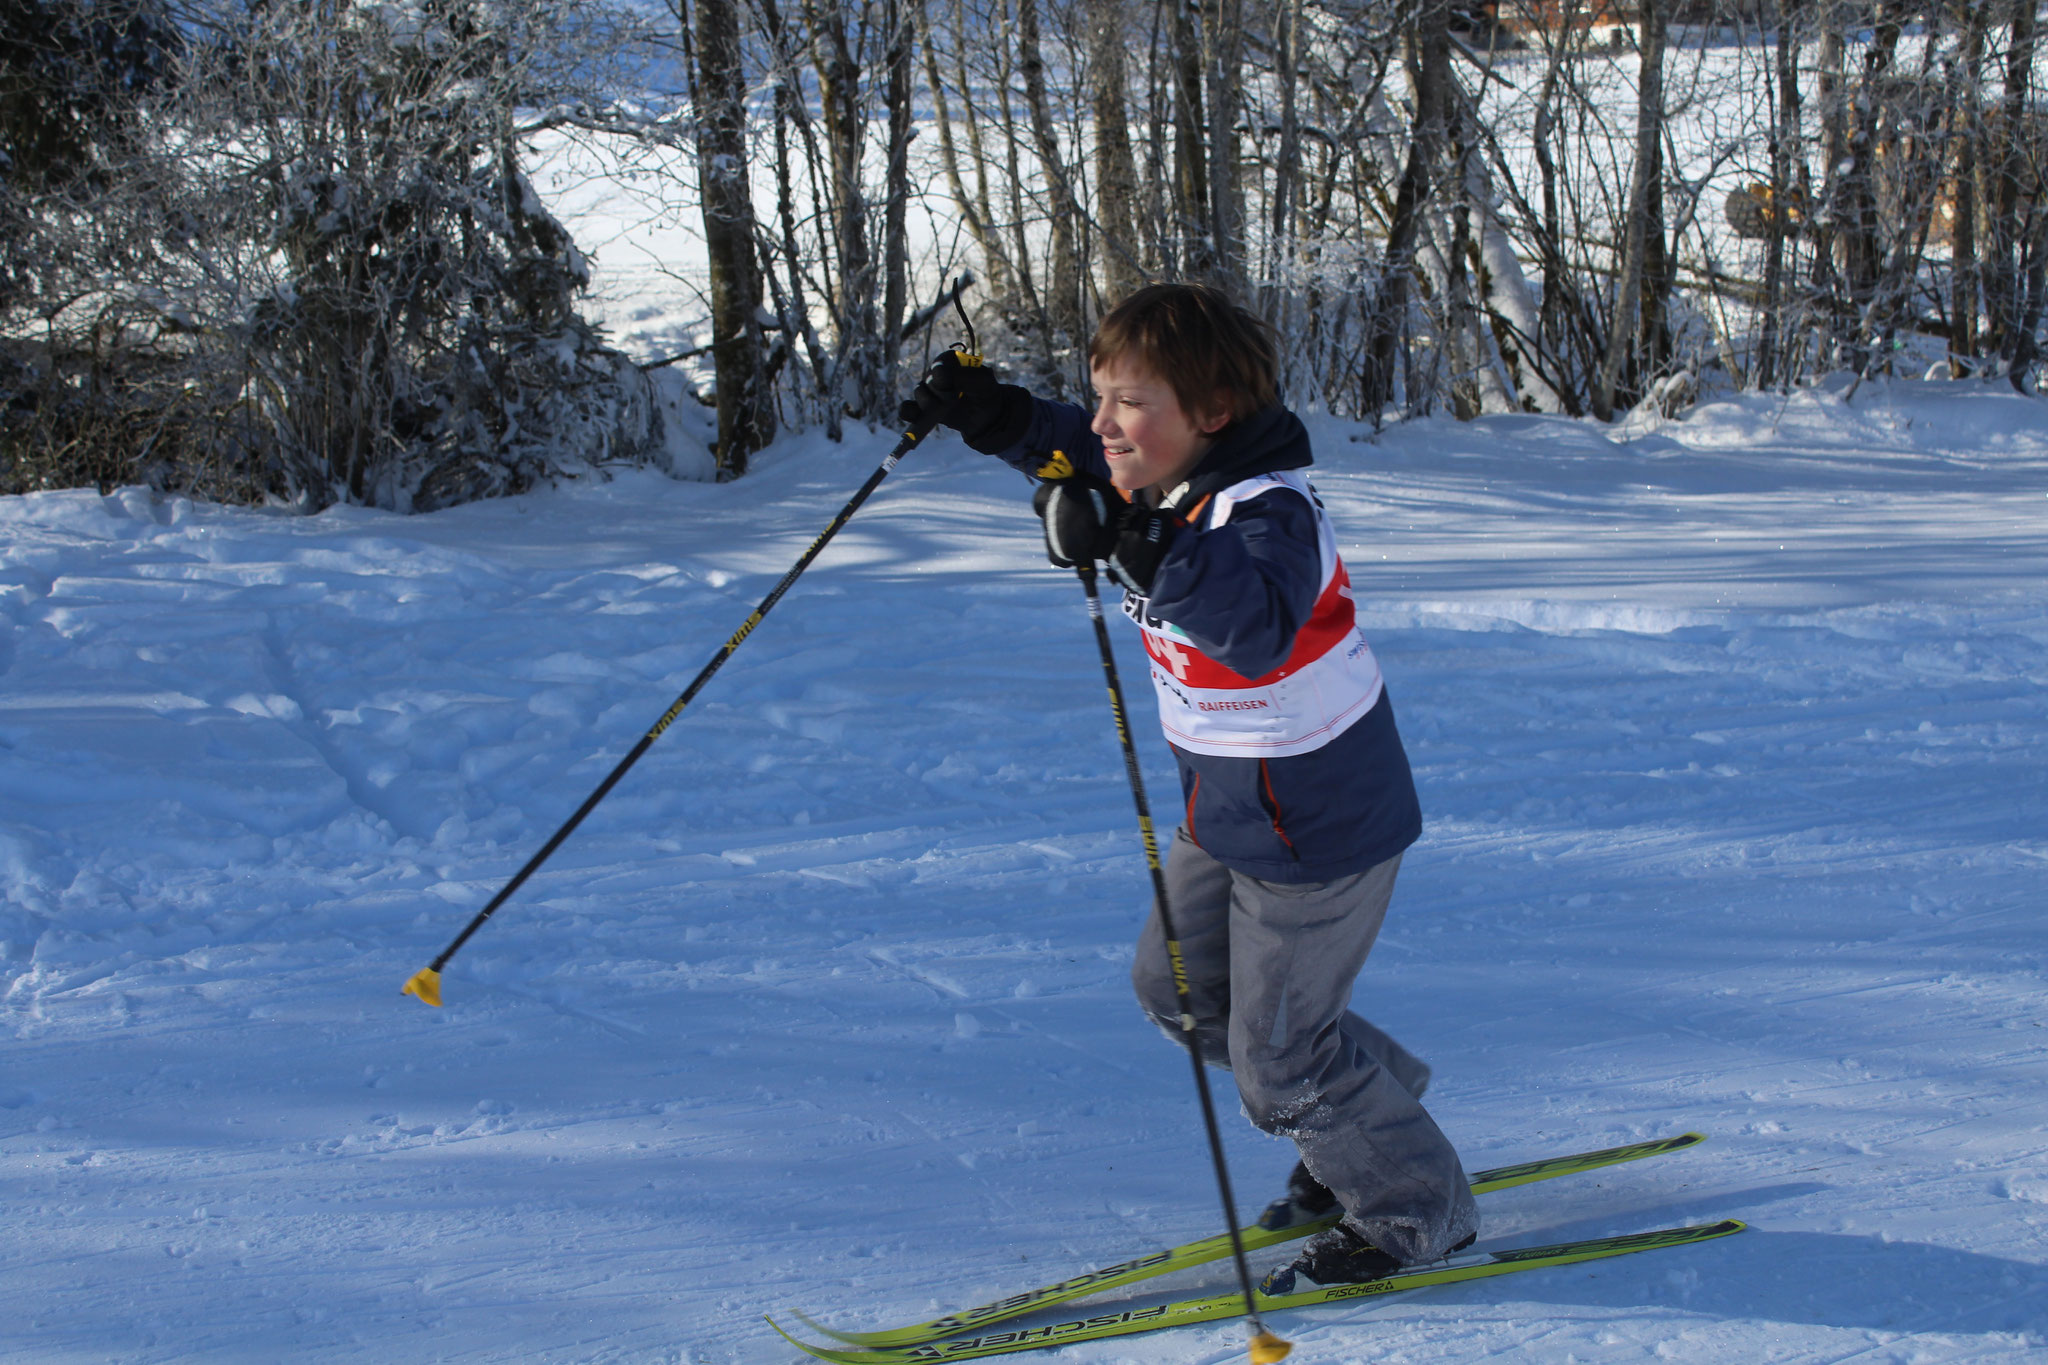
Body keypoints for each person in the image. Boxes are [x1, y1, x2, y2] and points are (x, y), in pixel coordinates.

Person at [903, 282, 1477, 1288]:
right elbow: (1062, 445)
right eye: (1102, 397)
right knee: (1177, 991)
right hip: (1223, 809)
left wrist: (1139, 548)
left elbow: (1252, 629)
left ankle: (1410, 1206)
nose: (1104, 425)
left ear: (1210, 415)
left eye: (1132, 403)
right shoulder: (1155, 475)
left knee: (1280, 1066)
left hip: (1318, 824)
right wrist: (989, 414)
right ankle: (1363, 1114)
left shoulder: (1270, 509)